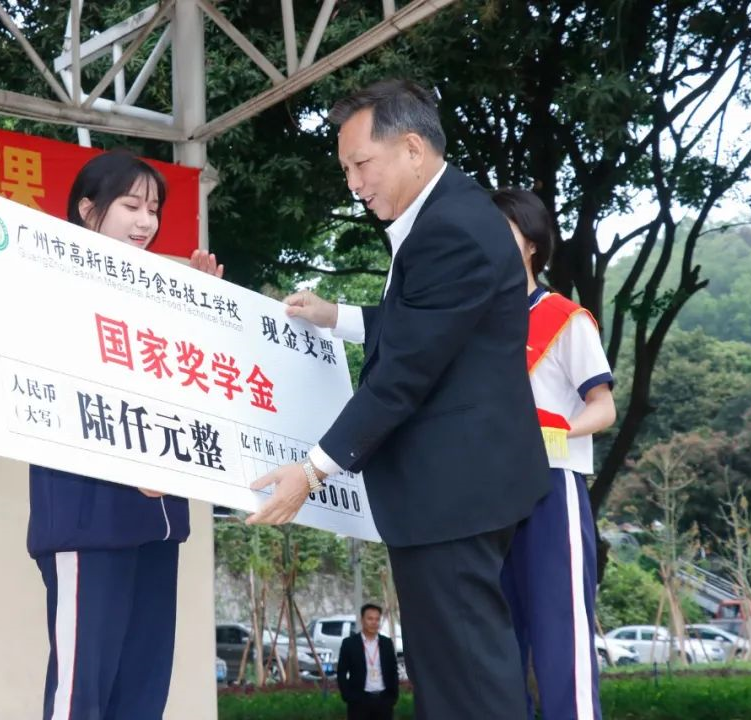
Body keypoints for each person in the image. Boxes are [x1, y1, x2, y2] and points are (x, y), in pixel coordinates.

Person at [246, 79, 551, 719]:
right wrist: (337, 316)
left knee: (468, 681)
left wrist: (312, 471)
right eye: (346, 170)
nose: (353, 184)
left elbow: (406, 372)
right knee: (453, 673)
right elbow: (426, 322)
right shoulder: (452, 213)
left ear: (412, 147)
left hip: (453, 495)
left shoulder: (449, 229)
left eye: (361, 164)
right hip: (460, 491)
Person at [27, 150, 223, 720]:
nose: (146, 222)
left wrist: (198, 310)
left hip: (158, 524)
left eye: (153, 209)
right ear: (88, 211)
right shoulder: (48, 284)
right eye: (131, 206)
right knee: (80, 695)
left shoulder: (157, 294)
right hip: (91, 518)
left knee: (141, 695)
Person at [493, 188, 616, 720]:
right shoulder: (475, 321)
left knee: (560, 633)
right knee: (498, 642)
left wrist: (557, 435)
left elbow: (603, 406)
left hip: (550, 486)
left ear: (531, 244)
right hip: (487, 494)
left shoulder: (564, 318)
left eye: (501, 230)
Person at [336, 604, 400, 720]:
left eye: (377, 619)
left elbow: (393, 670)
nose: (374, 622)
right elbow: (341, 672)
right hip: (359, 701)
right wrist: (348, 696)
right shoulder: (349, 644)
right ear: (362, 620)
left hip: (383, 700)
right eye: (370, 619)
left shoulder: (386, 643)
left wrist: (393, 697)